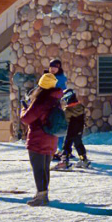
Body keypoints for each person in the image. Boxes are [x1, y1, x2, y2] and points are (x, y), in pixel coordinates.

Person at [21, 72, 64, 205]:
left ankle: (41, 196)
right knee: (45, 168)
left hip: (38, 139)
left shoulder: (40, 101)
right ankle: (43, 193)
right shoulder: (56, 101)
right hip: (51, 139)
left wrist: (23, 110)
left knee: (38, 168)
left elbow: (26, 119)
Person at [54, 88, 89, 170]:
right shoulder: (80, 106)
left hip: (71, 129)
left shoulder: (68, 110)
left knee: (67, 144)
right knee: (78, 143)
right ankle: (84, 159)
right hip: (79, 128)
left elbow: (65, 120)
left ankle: (64, 161)